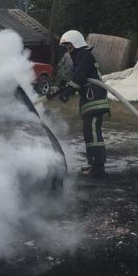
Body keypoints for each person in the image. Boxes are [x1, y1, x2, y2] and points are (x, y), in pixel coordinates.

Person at [48, 30, 110, 177]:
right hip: (90, 102)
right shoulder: (80, 57)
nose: (68, 50)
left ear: (76, 43)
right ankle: (93, 164)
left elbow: (79, 78)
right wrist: (58, 90)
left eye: (69, 46)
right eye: (67, 47)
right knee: (89, 134)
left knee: (93, 135)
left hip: (95, 101)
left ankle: (98, 167)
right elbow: (76, 79)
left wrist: (67, 92)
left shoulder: (84, 55)